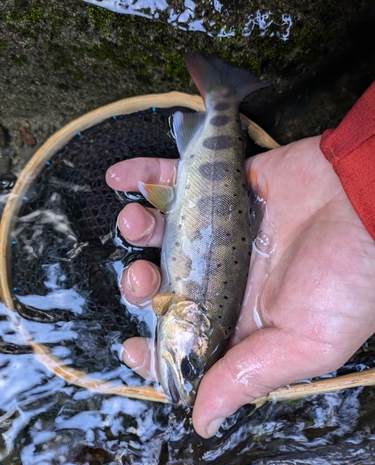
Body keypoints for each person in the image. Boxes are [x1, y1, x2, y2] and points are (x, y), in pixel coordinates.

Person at [106, 81, 375, 439]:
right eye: (187, 366)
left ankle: (221, 101)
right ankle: (223, 99)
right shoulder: (177, 307)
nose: (179, 372)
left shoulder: (180, 309)